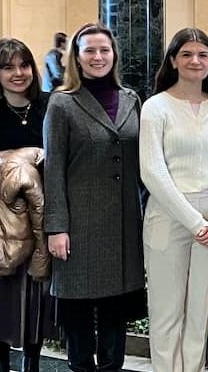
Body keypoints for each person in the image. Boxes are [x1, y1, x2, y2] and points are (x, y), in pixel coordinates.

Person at [44, 23, 145, 372]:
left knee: (116, 315)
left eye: (104, 50)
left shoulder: (132, 100)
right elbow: (53, 169)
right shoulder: (62, 103)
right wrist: (56, 228)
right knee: (79, 317)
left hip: (122, 228)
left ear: (113, 54)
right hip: (79, 227)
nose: (98, 57)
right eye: (89, 51)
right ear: (76, 57)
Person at [140, 27, 208, 372]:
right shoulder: (156, 107)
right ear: (173, 60)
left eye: (202, 55)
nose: (195, 61)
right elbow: (152, 171)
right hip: (170, 217)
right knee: (167, 314)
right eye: (187, 54)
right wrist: (195, 222)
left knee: (199, 314)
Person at [0, 38, 56, 372]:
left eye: (24, 65)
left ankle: (31, 363)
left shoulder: (50, 106)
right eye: (8, 67)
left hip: (40, 220)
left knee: (36, 297)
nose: (18, 73)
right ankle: (0, 365)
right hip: (0, 224)